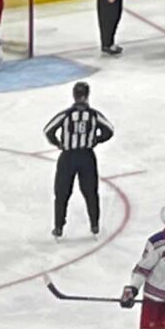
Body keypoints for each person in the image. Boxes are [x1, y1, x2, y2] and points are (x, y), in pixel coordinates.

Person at [45, 80, 114, 239]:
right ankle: (95, 225)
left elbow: (48, 130)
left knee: (62, 193)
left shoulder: (66, 115)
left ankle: (58, 227)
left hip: (68, 157)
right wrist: (96, 140)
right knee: (91, 192)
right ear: (87, 95)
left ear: (74, 95)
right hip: (87, 156)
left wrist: (58, 143)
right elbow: (109, 130)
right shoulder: (94, 115)